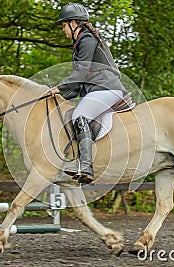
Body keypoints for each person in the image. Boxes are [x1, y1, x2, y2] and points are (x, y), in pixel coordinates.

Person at [50, 2, 127, 184]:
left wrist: (59, 87)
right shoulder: (82, 42)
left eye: (64, 25)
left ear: (74, 23)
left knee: (79, 114)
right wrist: (60, 96)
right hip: (98, 89)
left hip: (107, 88)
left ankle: (86, 166)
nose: (63, 30)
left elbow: (81, 73)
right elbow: (80, 83)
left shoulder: (87, 40)